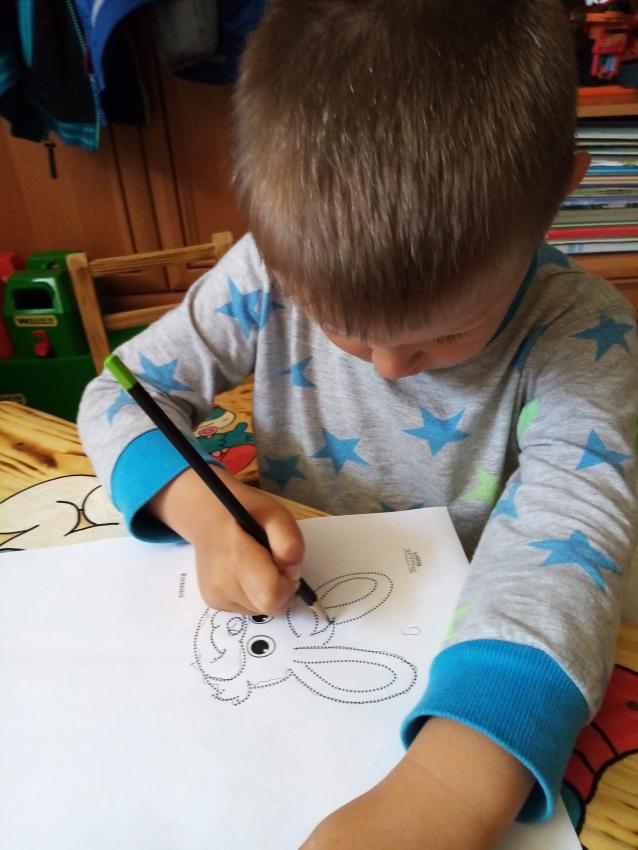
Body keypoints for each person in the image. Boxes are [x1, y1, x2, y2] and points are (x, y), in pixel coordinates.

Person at [78, 1, 638, 847]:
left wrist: (447, 792)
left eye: (445, 333)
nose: (388, 367)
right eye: (341, 326)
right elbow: (122, 392)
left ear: (562, 187)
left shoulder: (582, 336)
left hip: (484, 640)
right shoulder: (267, 271)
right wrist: (199, 508)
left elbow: (565, 549)